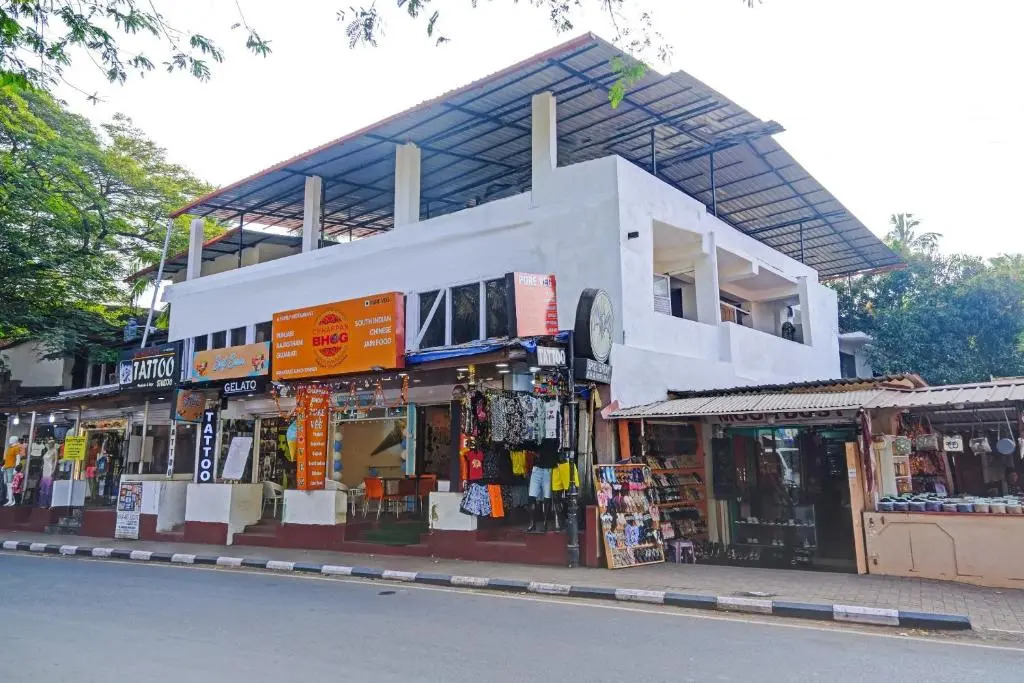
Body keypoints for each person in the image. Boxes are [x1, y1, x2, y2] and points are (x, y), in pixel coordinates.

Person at [3, 436, 21, 506]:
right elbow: (8, 459)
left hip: (11, 468)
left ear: (15, 440)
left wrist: (16, 468)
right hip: (7, 468)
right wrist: (4, 466)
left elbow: (18, 459)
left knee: (11, 485)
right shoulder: (9, 448)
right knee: (8, 484)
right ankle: (10, 500)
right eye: (10, 439)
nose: (10, 440)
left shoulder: (16, 448)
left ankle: (13, 500)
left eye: (11, 439)